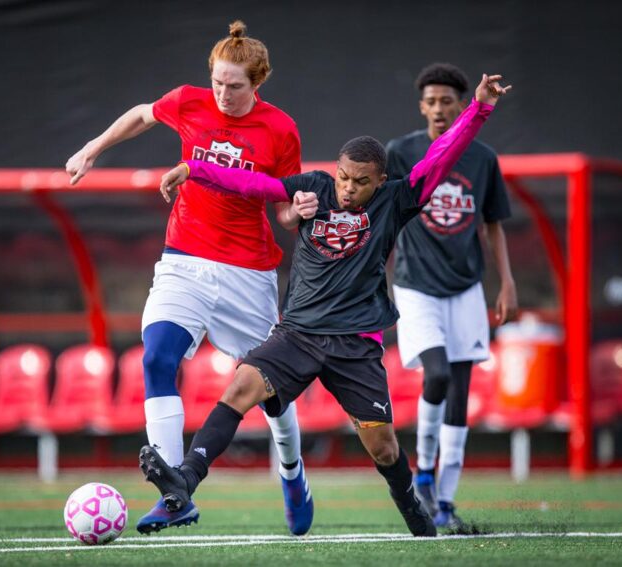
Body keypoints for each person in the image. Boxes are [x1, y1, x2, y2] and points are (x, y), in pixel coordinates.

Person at [139, 74, 509, 536]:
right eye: (343, 177)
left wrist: (479, 109)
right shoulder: (314, 187)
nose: (348, 189)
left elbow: (443, 154)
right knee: (239, 389)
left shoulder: (398, 200)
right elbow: (253, 185)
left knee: (385, 450)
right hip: (297, 334)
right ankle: (185, 481)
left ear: (381, 181)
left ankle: (412, 503)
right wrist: (195, 170)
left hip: (354, 344)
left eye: (360, 182)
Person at [65, 21, 318, 536]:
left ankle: (292, 474)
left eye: (236, 85)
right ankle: (174, 493)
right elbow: (141, 115)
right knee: (156, 357)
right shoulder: (188, 102)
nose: (223, 94)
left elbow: (285, 206)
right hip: (185, 259)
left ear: (259, 82)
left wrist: (301, 211)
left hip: (249, 272)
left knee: (272, 393)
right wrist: (94, 147)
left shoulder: (281, 129)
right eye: (218, 82)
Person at [385, 63, 518, 529]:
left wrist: (507, 281)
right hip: (416, 285)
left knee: (460, 393)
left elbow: (493, 223)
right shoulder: (400, 153)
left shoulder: (482, 159)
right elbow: (384, 213)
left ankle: (444, 503)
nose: (439, 109)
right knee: (436, 375)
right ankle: (423, 471)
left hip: (466, 288)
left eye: (448, 101)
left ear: (462, 105)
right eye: (432, 101)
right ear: (421, 106)